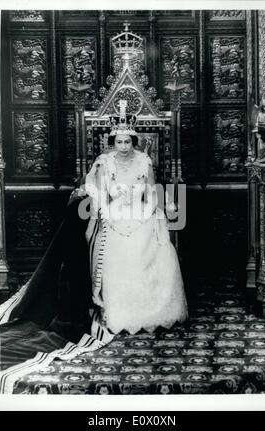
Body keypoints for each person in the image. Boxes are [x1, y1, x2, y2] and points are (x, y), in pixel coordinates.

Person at [83, 114, 188, 335]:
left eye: (127, 142)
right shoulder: (105, 163)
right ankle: (119, 312)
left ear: (134, 141)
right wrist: (104, 215)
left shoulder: (144, 161)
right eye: (119, 142)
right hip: (114, 214)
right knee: (118, 248)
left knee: (152, 243)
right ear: (113, 143)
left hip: (142, 212)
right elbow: (101, 195)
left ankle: (152, 312)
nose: (123, 147)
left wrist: (146, 213)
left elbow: (151, 191)